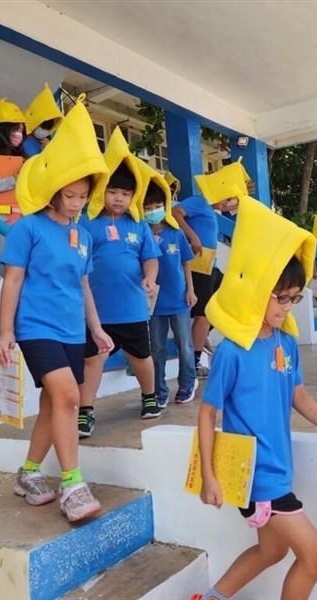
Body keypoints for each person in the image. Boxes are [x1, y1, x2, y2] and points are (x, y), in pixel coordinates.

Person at [194, 197, 317, 600]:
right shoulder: (232, 351)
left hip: (278, 468)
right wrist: (209, 476)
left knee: (271, 550)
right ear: (257, 291)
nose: (286, 306)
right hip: (257, 476)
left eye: (293, 298)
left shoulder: (287, 343)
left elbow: (299, 396)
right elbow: (207, 414)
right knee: (315, 556)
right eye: (280, 297)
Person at [0, 96, 112, 522]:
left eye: (83, 196)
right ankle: (72, 485)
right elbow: (12, 280)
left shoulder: (83, 235)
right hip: (35, 326)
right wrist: (5, 332)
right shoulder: (27, 228)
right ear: (54, 191)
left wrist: (95, 329)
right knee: (68, 396)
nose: (77, 202)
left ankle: (27, 473)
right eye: (70, 194)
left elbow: (83, 285)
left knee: (51, 404)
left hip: (70, 329)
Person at [79, 127, 162, 429]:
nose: (118, 199)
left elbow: (150, 258)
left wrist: (150, 278)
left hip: (132, 307)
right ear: (102, 191)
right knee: (93, 360)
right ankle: (85, 411)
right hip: (97, 311)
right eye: (113, 192)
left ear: (132, 196)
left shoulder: (138, 226)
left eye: (125, 194)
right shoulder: (87, 223)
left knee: (141, 356)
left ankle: (150, 396)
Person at [172, 161, 245, 379]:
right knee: (204, 314)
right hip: (198, 266)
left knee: (226, 299)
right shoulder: (199, 202)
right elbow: (175, 212)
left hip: (210, 265)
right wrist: (192, 237)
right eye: (230, 197)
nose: (230, 203)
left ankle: (200, 340)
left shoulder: (211, 211)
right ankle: (194, 361)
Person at [139, 160, 198, 407]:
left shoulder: (175, 233)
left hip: (179, 299)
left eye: (156, 205)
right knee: (158, 349)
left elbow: (186, 263)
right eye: (148, 206)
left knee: (185, 345)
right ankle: (158, 391)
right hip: (153, 303)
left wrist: (191, 291)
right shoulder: (141, 232)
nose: (153, 210)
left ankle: (187, 383)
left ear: (165, 206)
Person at [22, 83, 64, 157]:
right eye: (43, 128)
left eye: (47, 129)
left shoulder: (42, 142)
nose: (44, 132)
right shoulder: (24, 141)